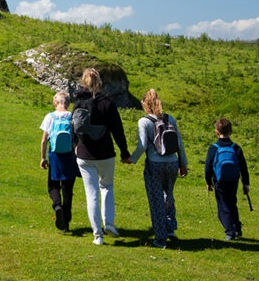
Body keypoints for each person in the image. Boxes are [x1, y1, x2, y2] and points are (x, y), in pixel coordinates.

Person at [72, 68, 131, 245]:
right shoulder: (108, 103)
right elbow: (118, 130)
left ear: (83, 82)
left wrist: (75, 146)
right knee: (106, 187)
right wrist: (124, 152)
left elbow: (73, 126)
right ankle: (110, 224)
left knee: (91, 195)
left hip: (84, 154)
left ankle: (98, 236)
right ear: (100, 82)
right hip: (105, 154)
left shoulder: (79, 102)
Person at [129, 89, 189, 249]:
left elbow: (142, 145)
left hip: (154, 163)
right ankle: (170, 228)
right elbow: (180, 143)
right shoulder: (170, 119)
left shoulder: (145, 121)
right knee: (168, 194)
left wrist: (131, 159)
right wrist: (183, 163)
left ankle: (160, 238)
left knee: (156, 199)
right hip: (172, 162)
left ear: (144, 104)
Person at [40, 91, 80, 233]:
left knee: (53, 185)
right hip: (69, 156)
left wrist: (43, 157)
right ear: (68, 104)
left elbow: (44, 139)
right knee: (68, 189)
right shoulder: (72, 117)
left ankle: (57, 206)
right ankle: (66, 224)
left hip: (55, 155)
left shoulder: (50, 117)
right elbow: (76, 140)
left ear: (54, 103)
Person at [205, 117, 250, 240]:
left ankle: (230, 231)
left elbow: (208, 167)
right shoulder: (236, 148)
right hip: (233, 180)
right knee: (232, 203)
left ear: (216, 132)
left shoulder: (213, 148)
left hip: (219, 181)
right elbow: (243, 167)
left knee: (223, 207)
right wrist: (246, 183)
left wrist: (208, 182)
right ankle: (237, 228)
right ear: (231, 132)